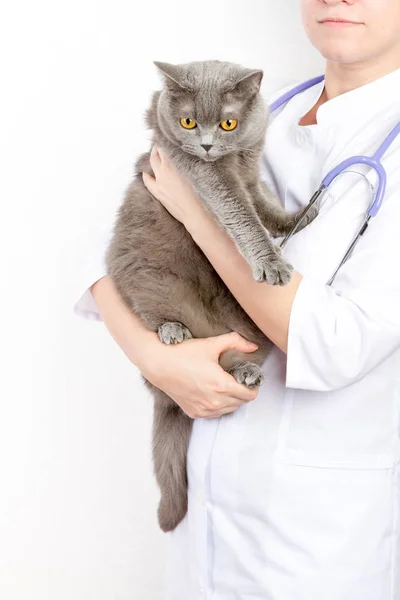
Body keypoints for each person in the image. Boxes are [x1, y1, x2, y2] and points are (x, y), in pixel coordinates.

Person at [74, 1, 400, 598]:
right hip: (203, 514)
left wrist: (199, 214)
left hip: (314, 542)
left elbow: (334, 345)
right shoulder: (249, 106)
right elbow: (105, 243)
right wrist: (156, 359)